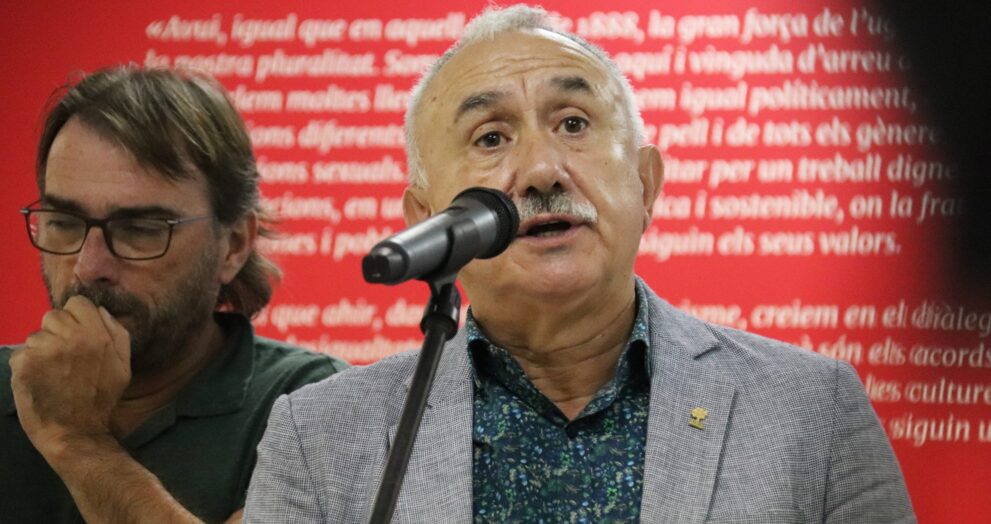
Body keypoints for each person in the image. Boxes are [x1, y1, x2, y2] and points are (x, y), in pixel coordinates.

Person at [245, 5, 915, 523]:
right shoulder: (319, 438)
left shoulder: (811, 409)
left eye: (573, 123)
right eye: (490, 137)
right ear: (425, 216)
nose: (541, 170)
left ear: (645, 185)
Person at [0, 66, 348, 523]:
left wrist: (77, 441)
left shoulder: (315, 404)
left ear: (233, 245)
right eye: (64, 223)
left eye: (140, 229)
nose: (89, 267)